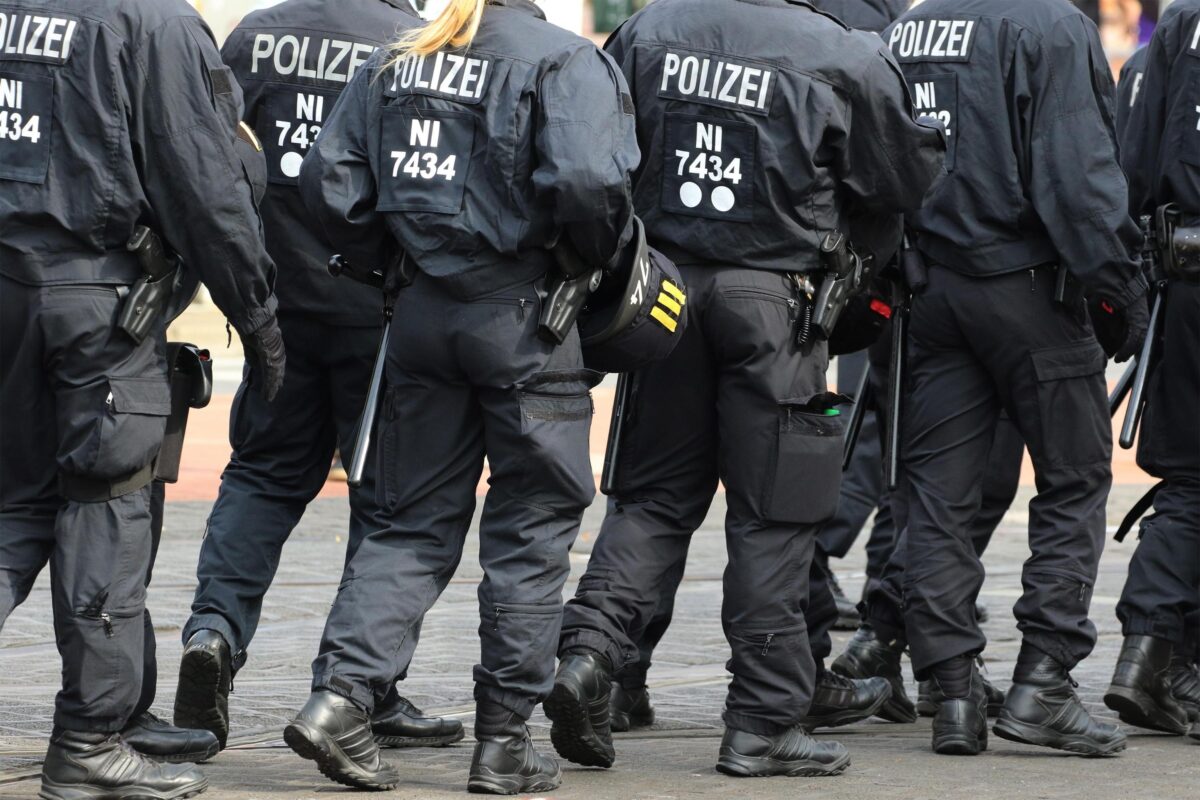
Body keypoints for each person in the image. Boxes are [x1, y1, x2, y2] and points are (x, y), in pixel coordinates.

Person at [549, 0, 945, 779]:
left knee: (652, 500)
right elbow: (905, 179)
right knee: (776, 515)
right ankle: (762, 722)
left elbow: (599, 156)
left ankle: (588, 656)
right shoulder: (844, 54)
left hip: (664, 298)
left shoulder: (649, 29)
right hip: (781, 313)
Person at [286, 0, 639, 793]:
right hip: (526, 317)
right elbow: (591, 182)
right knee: (532, 528)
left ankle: (340, 699)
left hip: (421, 312)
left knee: (407, 520)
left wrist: (400, 258)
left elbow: (330, 183)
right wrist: (584, 264)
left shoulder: (400, 56)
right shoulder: (561, 59)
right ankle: (504, 740)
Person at [0, 0, 285, 797]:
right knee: (108, 512)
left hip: (15, 294)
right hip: (97, 308)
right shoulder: (152, 22)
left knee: (18, 506)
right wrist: (259, 317)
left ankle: (119, 716)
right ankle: (90, 740)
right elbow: (206, 183)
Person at [173, 0, 462, 755]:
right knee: (389, 503)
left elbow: (214, 161)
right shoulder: (415, 46)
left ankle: (213, 633)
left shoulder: (256, 35)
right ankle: (360, 687)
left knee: (263, 476)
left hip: (277, 301)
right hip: (379, 310)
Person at [870, 0, 1149, 757]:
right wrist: (1120, 293)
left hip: (932, 290)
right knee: (1075, 478)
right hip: (1029, 289)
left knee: (938, 497)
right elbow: (1080, 181)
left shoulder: (910, 27)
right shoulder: (1049, 25)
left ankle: (955, 691)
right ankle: (1043, 682)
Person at [1104, 0, 1200, 742]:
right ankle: (1159, 659)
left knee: (1192, 481)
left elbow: (1135, 164)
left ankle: (1151, 655)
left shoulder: (1182, 23)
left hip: (1186, 274)